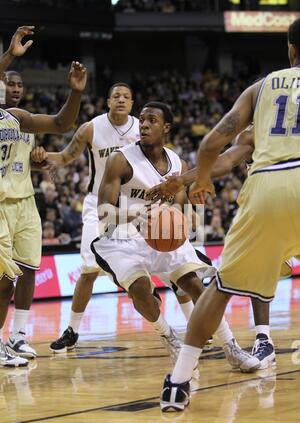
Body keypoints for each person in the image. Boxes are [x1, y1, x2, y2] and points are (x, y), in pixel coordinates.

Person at [160, 18, 300, 411]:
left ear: (291, 51)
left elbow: (212, 146)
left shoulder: (263, 88)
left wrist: (197, 181)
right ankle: (262, 336)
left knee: (220, 286)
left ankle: (179, 382)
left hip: (270, 188)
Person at [88, 101, 260, 370]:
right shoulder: (119, 159)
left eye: (152, 121)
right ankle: (169, 336)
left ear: (166, 127)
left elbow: (181, 210)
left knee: (196, 287)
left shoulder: (176, 163)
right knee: (141, 290)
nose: (143, 125)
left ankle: (231, 346)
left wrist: (194, 208)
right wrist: (134, 216)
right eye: (142, 120)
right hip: (122, 236)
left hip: (162, 234)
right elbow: (103, 212)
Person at [35, 83, 198, 353]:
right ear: (107, 101)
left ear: (133, 103)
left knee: (178, 262)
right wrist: (39, 156)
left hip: (144, 205)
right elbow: (64, 157)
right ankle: (73, 330)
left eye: (126, 97)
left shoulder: (144, 125)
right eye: (115, 96)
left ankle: (196, 325)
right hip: (101, 206)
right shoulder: (92, 127)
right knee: (90, 267)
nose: (121, 100)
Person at [147, 126, 292, 369]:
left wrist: (186, 179)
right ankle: (263, 338)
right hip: (271, 207)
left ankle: (259, 340)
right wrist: (189, 179)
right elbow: (225, 161)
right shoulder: (253, 133)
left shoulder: (258, 130)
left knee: (250, 271)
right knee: (258, 269)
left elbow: (222, 159)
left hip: (277, 204)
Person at [0, 26, 87, 367]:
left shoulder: (17, 118)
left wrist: (75, 93)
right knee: (4, 278)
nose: (15, 88)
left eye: (19, 84)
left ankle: (17, 337)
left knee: (25, 270)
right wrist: (9, 55)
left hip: (24, 203)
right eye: (9, 82)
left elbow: (61, 123)